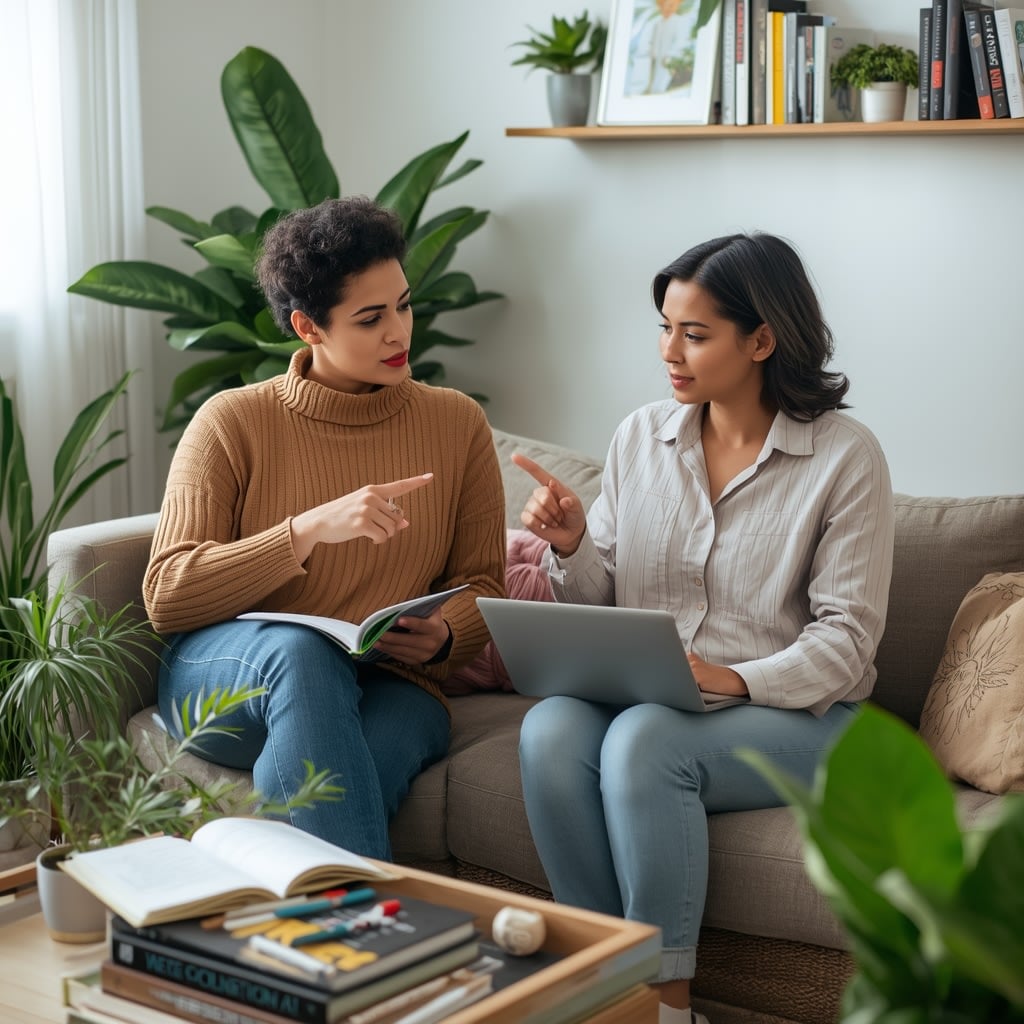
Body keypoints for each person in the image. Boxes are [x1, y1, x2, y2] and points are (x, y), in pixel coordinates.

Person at [511, 232, 894, 1024]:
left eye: (693, 333)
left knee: (646, 740)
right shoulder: (640, 437)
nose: (669, 353)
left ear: (762, 339)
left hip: (807, 717)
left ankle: (665, 1007)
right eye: (663, 328)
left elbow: (848, 639)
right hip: (662, 696)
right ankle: (603, 982)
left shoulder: (845, 457)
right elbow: (598, 594)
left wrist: (729, 678)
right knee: (549, 728)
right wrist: (573, 545)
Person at [144, 195, 506, 860]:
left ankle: (319, 936)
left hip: (390, 682)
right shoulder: (233, 422)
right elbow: (168, 594)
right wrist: (305, 532)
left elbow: (483, 580)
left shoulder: (457, 423)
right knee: (302, 657)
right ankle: (372, 941)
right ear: (308, 326)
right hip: (225, 680)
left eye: (403, 304)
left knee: (364, 756)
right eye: (371, 319)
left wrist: (446, 635)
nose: (400, 332)